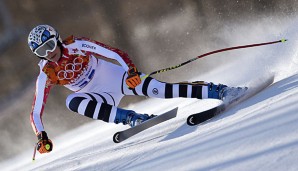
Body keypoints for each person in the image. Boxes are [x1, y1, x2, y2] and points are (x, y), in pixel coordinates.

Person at [28, 25, 246, 154]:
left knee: (162, 90)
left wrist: (131, 71)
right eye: (42, 51)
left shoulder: (76, 44)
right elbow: (36, 111)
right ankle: (134, 119)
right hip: (98, 94)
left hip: (115, 77)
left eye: (50, 46)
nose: (49, 53)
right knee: (72, 102)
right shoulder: (46, 72)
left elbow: (113, 53)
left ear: (57, 40)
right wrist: (41, 136)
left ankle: (219, 91)